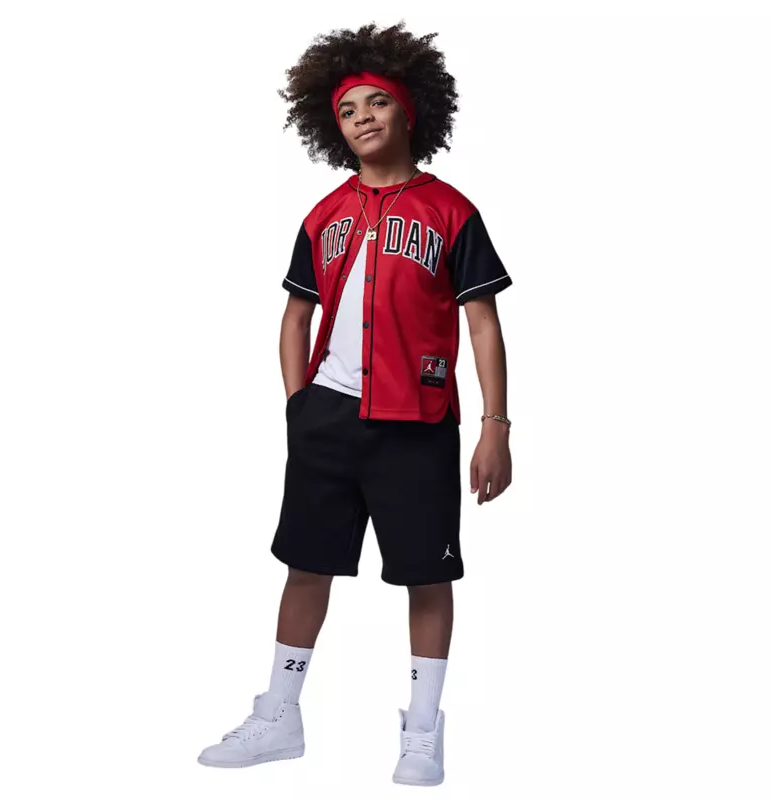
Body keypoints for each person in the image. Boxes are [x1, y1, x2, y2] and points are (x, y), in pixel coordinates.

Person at [198, 21, 513, 787]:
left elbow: (482, 323)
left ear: (410, 110)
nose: (363, 117)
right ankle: (279, 715)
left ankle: (423, 729)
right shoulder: (323, 216)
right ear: (331, 125)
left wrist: (495, 427)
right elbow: (294, 317)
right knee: (305, 565)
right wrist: (298, 404)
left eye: (378, 102)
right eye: (347, 109)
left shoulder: (451, 212)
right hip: (328, 419)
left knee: (426, 575)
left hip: (418, 424)